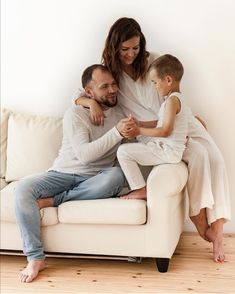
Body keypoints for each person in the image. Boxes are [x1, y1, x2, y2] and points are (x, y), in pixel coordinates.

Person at [74, 17, 231, 263]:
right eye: (124, 49)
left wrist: (188, 115)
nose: (131, 54)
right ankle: (200, 221)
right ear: (114, 47)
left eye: (135, 47)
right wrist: (90, 102)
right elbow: (80, 93)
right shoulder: (110, 71)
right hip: (149, 134)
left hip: (173, 122)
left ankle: (218, 230)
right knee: (198, 155)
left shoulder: (155, 62)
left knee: (215, 157)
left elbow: (173, 94)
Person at [14, 64, 136, 283]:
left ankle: (55, 200)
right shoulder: (76, 113)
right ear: (89, 93)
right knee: (23, 188)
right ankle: (35, 258)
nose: (112, 89)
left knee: (116, 176)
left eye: (114, 84)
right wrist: (116, 132)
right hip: (63, 173)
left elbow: (140, 139)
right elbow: (84, 155)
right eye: (104, 86)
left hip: (98, 177)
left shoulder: (119, 113)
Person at [117, 54, 188, 200]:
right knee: (128, 150)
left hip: (168, 152)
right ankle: (141, 189)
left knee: (123, 152)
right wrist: (141, 123)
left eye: (155, 82)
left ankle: (141, 189)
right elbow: (159, 123)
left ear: (168, 80)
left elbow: (165, 130)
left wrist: (139, 131)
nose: (154, 87)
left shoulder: (172, 101)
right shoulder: (172, 100)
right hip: (167, 150)